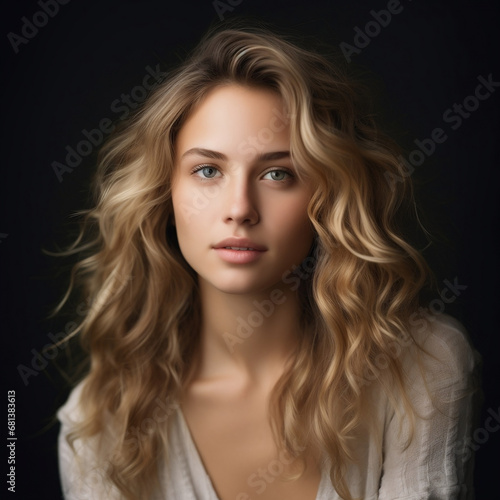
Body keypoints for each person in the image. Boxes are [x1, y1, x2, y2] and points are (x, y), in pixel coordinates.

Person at [56, 25, 480, 500]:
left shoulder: (422, 366)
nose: (240, 208)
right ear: (164, 193)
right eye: (208, 170)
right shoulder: (97, 422)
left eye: (279, 173)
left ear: (328, 196)